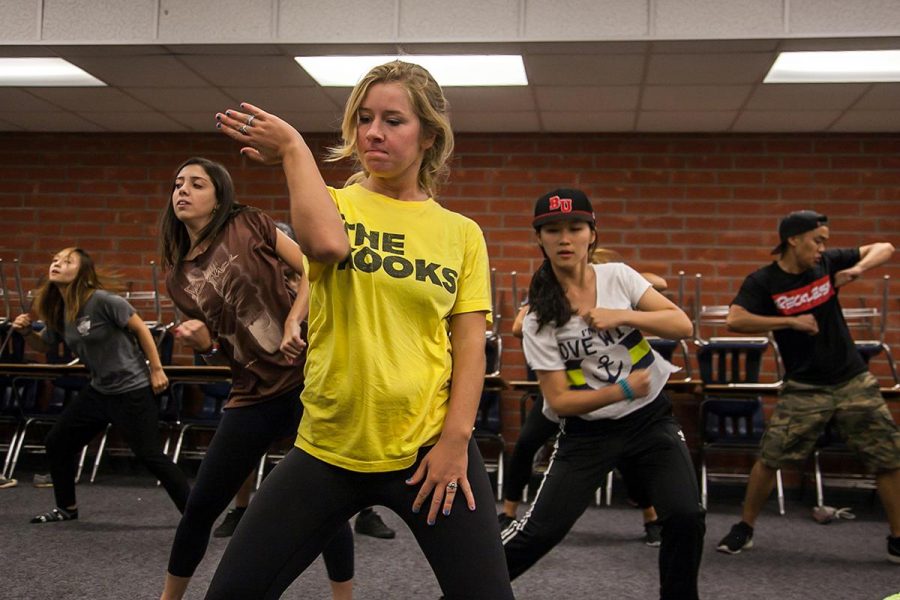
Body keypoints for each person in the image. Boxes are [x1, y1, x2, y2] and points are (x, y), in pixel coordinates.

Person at [203, 59, 514, 599]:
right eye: (364, 118)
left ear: (429, 134)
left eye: (394, 120)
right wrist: (296, 150)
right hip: (328, 447)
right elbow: (325, 246)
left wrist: (455, 443)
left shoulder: (461, 234)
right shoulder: (334, 204)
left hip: (426, 449)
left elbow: (469, 347)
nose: (374, 132)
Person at [158, 158, 354, 600]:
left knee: (329, 507)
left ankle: (345, 597)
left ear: (219, 195)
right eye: (177, 184)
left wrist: (294, 323)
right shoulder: (178, 278)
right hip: (251, 394)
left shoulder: (250, 223)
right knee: (199, 509)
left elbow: (312, 269)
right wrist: (202, 342)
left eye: (196, 184)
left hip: (305, 383)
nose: (182, 191)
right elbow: (216, 345)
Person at [501, 189, 705, 600]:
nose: (565, 239)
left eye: (575, 228)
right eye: (552, 230)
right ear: (539, 239)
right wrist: (624, 388)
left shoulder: (619, 277)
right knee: (539, 534)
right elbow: (559, 402)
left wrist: (623, 315)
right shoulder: (540, 316)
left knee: (686, 516)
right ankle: (463, 590)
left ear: (592, 234)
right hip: (587, 435)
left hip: (650, 422)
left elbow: (682, 325)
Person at [715, 210, 900, 563]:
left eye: (825, 241)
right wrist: (790, 322)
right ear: (793, 240)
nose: (822, 248)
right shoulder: (764, 281)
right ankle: (745, 527)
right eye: (817, 240)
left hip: (852, 379)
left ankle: (898, 538)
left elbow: (885, 247)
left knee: (889, 458)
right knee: (770, 458)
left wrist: (859, 269)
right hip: (804, 387)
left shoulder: (827, 264)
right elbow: (735, 318)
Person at [499, 248, 668, 547]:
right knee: (527, 442)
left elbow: (660, 284)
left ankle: (651, 517)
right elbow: (516, 328)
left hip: (612, 395)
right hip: (566, 392)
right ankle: (508, 512)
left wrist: (621, 287)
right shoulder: (549, 294)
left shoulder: (613, 285)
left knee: (631, 457)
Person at [11, 248, 190, 523]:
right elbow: (44, 343)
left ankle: (194, 514)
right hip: (100, 390)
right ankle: (66, 508)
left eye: (67, 261)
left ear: (82, 272)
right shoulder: (61, 308)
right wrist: (25, 332)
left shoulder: (102, 300)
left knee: (150, 455)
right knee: (58, 441)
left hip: (132, 389)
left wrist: (156, 369)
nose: (57, 264)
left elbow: (141, 329)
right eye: (55, 259)